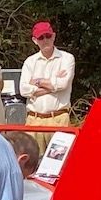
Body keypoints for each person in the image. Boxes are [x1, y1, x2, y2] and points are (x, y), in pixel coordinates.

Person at [20, 20, 75, 149]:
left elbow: (64, 84)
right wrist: (53, 84)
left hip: (59, 118)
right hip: (34, 120)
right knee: (31, 164)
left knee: (60, 163)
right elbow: (23, 90)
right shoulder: (30, 61)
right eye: (41, 37)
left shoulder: (67, 58)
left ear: (54, 36)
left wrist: (37, 82)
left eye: (48, 36)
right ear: (35, 40)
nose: (45, 40)